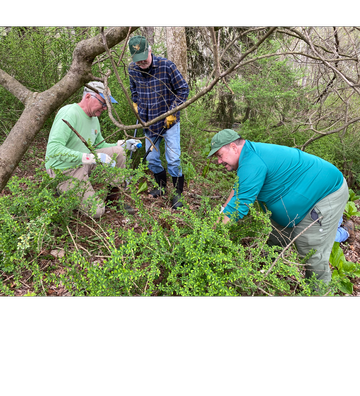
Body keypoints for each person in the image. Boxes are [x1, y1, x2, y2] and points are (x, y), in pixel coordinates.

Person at [207, 128, 350, 284]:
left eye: (220, 155)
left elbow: (239, 206)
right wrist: (220, 215)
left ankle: (319, 289)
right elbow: (238, 190)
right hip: (301, 198)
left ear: (234, 147)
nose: (219, 161)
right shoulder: (248, 156)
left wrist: (209, 235)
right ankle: (267, 276)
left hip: (325, 194)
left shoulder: (252, 161)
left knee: (311, 249)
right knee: (276, 237)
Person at [45, 81, 141, 218]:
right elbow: (54, 149)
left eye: (107, 105)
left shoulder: (94, 118)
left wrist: (122, 144)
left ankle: (113, 200)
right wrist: (88, 158)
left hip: (83, 163)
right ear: (88, 96)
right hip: (64, 169)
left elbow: (98, 145)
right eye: (103, 103)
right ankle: (60, 188)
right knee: (97, 211)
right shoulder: (69, 112)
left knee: (118, 153)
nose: (105, 108)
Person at [128, 35, 189, 209]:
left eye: (143, 59)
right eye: (137, 60)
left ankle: (177, 194)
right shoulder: (132, 69)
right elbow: (134, 90)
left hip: (169, 122)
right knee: (152, 159)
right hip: (148, 122)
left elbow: (183, 90)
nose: (141, 63)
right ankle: (161, 188)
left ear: (150, 50)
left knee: (173, 160)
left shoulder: (166, 66)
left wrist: (172, 111)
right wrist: (135, 103)